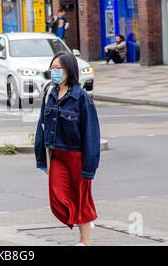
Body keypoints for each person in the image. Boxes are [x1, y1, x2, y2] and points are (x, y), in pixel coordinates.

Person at [35, 53, 101, 246]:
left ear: (69, 70)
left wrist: (89, 167)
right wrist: (41, 157)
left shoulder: (81, 98)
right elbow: (42, 125)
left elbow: (91, 133)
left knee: (80, 199)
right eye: (52, 67)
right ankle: (82, 220)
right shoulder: (49, 92)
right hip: (56, 155)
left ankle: (85, 240)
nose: (54, 71)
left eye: (59, 68)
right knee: (58, 197)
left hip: (76, 156)